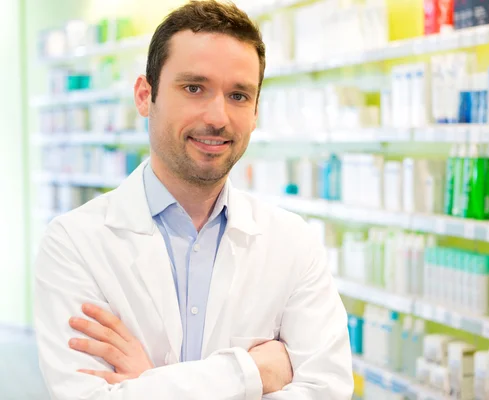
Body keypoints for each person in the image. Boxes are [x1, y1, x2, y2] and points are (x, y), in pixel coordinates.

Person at [33, 1, 353, 399]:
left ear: (256, 112)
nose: (218, 116)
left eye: (238, 95)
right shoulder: (73, 243)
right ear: (144, 95)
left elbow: (328, 390)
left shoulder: (293, 242)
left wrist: (151, 383)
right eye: (194, 88)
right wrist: (251, 373)